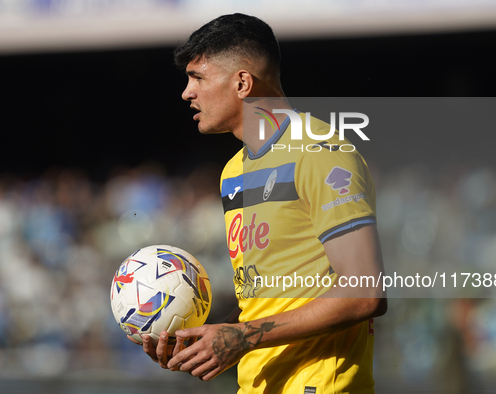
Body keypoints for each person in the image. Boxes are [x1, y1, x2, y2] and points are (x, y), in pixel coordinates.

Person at [131, 13, 387, 394]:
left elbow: (366, 292)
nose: (187, 92)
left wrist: (242, 336)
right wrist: (201, 345)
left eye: (197, 77)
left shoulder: (320, 153)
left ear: (242, 82)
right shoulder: (233, 172)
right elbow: (263, 303)